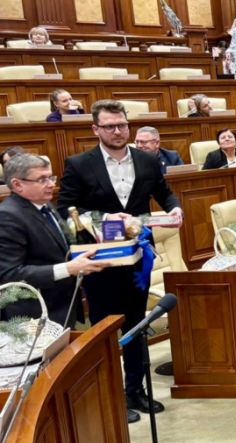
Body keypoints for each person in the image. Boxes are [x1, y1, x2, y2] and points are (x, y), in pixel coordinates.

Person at [56, 99, 184, 419]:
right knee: (105, 329)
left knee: (137, 325)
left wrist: (175, 208)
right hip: (101, 261)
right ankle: (112, 396)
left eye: (122, 125)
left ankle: (135, 391)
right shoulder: (79, 164)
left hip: (138, 258)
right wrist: (103, 218)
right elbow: (65, 210)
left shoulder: (147, 160)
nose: (117, 131)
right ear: (95, 129)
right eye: (110, 126)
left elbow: (164, 192)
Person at [0, 153, 111, 328]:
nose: (52, 184)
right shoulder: (7, 216)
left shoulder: (45, 205)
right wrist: (68, 268)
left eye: (51, 177)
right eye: (42, 179)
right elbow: (10, 275)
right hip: (34, 317)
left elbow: (63, 246)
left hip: (62, 306)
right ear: (17, 184)